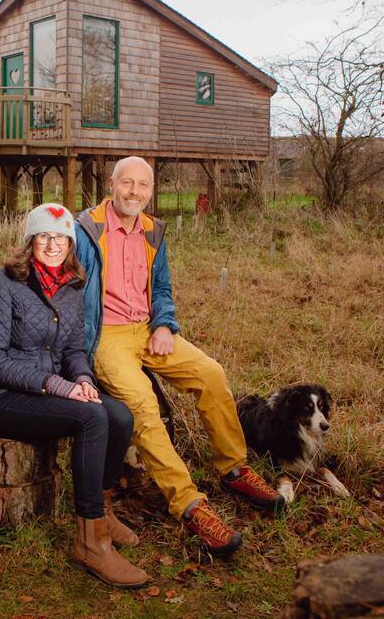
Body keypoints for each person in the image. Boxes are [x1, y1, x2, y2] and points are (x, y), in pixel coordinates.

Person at [74, 157, 284, 557]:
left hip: (148, 329)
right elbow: (65, 286)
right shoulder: (86, 229)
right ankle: (188, 503)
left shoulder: (153, 231)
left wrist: (165, 325)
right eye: (127, 183)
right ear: (111, 184)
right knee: (142, 404)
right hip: (107, 337)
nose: (134, 192)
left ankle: (234, 468)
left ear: (151, 190)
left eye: (143, 185)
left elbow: (163, 288)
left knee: (211, 373)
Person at [0, 203, 148, 588]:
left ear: (70, 242)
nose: (53, 245)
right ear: (30, 241)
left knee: (119, 416)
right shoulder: (3, 282)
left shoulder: (71, 286)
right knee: (91, 417)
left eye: (61, 237)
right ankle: (90, 542)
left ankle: (102, 509)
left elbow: (74, 350)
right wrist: (58, 386)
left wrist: (82, 379)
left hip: (52, 389)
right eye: (45, 236)